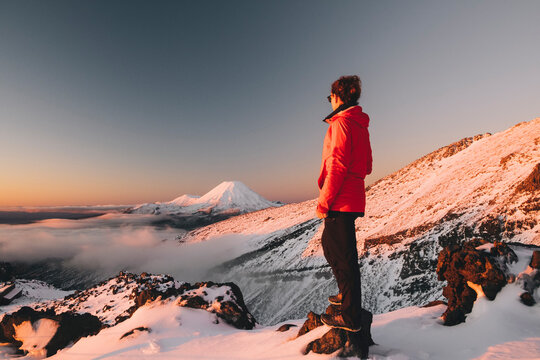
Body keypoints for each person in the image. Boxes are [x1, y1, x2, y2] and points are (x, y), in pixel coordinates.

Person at [316, 75, 372, 332]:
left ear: (338, 97)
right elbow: (367, 165)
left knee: (344, 257)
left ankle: (349, 316)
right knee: (332, 247)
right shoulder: (360, 125)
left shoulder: (341, 124)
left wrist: (324, 201)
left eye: (330, 97)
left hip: (340, 199)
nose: (330, 101)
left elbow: (336, 165)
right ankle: (344, 297)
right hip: (352, 196)